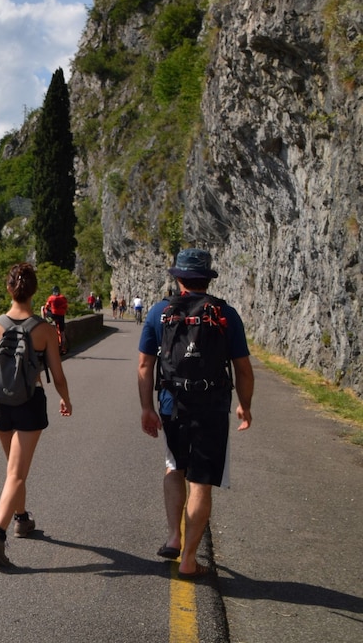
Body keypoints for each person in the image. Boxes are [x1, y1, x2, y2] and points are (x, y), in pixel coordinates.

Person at [137, 248, 254, 579]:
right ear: (207, 278)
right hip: (212, 405)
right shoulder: (226, 314)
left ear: (178, 278)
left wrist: (147, 408)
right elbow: (243, 369)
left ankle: (174, 536)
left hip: (173, 404)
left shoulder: (159, 313)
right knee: (201, 482)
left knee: (174, 467)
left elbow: (145, 366)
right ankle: (189, 558)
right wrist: (245, 405)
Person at [0, 262, 72, 568]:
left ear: (9, 289)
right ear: (34, 292)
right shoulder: (45, 329)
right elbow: (57, 374)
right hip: (29, 402)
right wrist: (65, 398)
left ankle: (21, 519)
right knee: (16, 473)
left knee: (13, 468)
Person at [45, 286, 69, 353]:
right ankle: (63, 348)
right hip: (61, 315)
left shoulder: (51, 298)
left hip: (54, 315)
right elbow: (66, 307)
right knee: (62, 331)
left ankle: (44, 321)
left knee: (42, 308)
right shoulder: (63, 298)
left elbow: (46, 306)